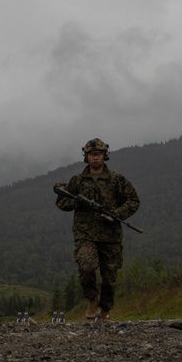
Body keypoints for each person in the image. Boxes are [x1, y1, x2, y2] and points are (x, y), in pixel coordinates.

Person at [55, 138, 140, 322]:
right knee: (85, 267)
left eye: (98, 154)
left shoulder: (116, 180)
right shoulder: (77, 180)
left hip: (110, 235)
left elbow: (133, 201)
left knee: (110, 277)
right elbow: (61, 201)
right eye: (91, 154)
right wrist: (77, 202)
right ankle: (92, 299)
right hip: (85, 234)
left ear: (104, 155)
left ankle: (105, 309)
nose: (95, 157)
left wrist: (117, 213)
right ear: (86, 156)